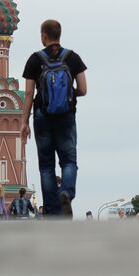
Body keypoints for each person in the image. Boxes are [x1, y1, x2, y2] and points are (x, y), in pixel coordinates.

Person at [20, 20, 88, 218]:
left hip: (42, 116)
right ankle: (66, 192)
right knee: (68, 161)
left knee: (46, 166)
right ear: (59, 34)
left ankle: (52, 210)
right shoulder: (72, 58)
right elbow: (83, 89)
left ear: (44, 36)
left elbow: (28, 94)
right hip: (66, 116)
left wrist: (24, 122)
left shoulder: (35, 59)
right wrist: (68, 95)